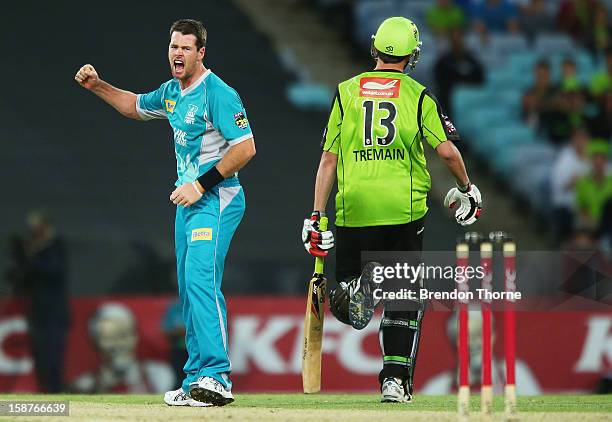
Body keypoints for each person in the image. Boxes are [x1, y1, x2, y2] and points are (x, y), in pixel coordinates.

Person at [75, 19, 256, 407]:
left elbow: (245, 148)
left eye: (186, 48)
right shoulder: (173, 92)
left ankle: (217, 376)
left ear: (201, 53)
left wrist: (200, 185)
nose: (177, 54)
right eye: (174, 47)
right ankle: (196, 379)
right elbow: (135, 105)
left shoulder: (218, 93)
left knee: (201, 281)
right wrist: (98, 86)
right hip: (188, 204)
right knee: (189, 290)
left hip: (217, 197)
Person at [302, 17, 482, 403]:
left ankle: (359, 287)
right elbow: (447, 151)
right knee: (405, 296)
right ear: (411, 55)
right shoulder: (418, 96)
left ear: (376, 49)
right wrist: (467, 189)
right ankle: (394, 381)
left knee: (351, 310)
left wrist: (316, 216)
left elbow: (328, 161)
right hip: (402, 209)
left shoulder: (345, 92)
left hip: (354, 209)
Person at [5, 212, 70, 393]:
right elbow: (19, 279)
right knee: (41, 360)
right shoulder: (32, 253)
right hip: (38, 315)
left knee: (53, 361)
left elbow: (53, 270)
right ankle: (47, 398)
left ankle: (58, 401)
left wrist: (31, 255)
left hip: (55, 316)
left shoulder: (56, 247)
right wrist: (22, 259)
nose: (33, 231)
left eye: (37, 226)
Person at [551, 128, 590, 242]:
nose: (582, 142)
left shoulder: (593, 157)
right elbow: (559, 187)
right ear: (572, 140)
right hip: (567, 206)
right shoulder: (564, 159)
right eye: (579, 138)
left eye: (584, 138)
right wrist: (575, 182)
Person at [434, 28, 484, 115]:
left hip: (470, 98)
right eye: (454, 39)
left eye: (459, 39)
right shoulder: (443, 61)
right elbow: (440, 81)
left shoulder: (471, 59)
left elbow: (480, 78)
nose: (457, 42)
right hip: (449, 101)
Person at [575, 140, 612, 230]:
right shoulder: (582, 183)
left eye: (602, 158)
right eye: (595, 158)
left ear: (606, 161)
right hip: (589, 225)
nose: (598, 162)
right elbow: (581, 209)